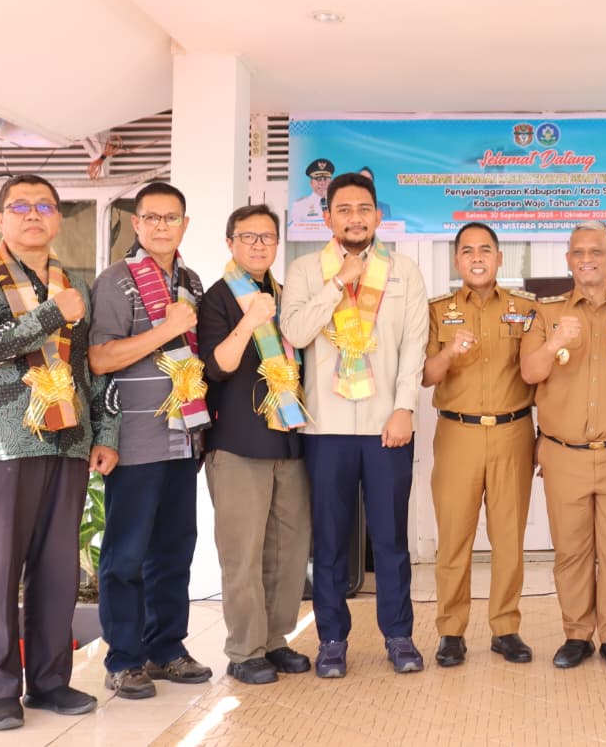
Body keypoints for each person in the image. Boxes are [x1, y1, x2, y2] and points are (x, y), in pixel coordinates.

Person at [0, 174, 119, 731]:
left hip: (67, 443)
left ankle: (49, 682)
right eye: (20, 206)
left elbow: (89, 369)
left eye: (44, 206)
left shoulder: (74, 284)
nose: (32, 215)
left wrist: (105, 433)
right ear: (1, 218)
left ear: (58, 219)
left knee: (56, 571)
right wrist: (51, 313)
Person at [281, 172, 429, 677]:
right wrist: (338, 283)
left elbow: (414, 344)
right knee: (329, 541)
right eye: (343, 209)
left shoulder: (404, 271)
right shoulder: (305, 270)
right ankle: (331, 640)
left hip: (388, 425)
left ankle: (399, 635)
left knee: (390, 538)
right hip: (326, 427)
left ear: (378, 215)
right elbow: (296, 331)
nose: (355, 218)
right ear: (327, 218)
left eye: (364, 209)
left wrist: (405, 407)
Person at [89, 181, 213, 699]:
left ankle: (166, 649)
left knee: (174, 551)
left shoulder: (191, 280)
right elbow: (101, 359)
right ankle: (123, 658)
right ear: (136, 224)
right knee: (126, 555)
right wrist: (166, 329)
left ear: (185, 224)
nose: (163, 226)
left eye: (172, 217)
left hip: (183, 437)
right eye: (152, 218)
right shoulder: (115, 281)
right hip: (135, 440)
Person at [519, 222, 606, 671]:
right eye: (578, 252)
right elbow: (530, 373)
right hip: (564, 452)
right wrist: (557, 340)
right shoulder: (545, 313)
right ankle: (576, 634)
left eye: (596, 251)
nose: (587, 259)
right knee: (571, 551)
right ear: (568, 260)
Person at [197, 204, 312, 685]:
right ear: (230, 243)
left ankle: (276, 640)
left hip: (289, 440)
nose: (259, 245)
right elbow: (217, 366)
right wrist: (249, 321)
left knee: (288, 550)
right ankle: (245, 650)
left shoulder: (285, 296)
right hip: (238, 443)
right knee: (242, 553)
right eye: (248, 236)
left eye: (267, 237)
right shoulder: (218, 298)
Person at [422, 222, 538, 667]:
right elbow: (426, 375)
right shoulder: (438, 311)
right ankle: (451, 631)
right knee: (455, 537)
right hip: (458, 433)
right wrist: (450, 353)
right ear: (457, 260)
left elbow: (538, 374)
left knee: (508, 537)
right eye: (467, 250)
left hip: (513, 432)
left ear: (499, 258)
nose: (476, 257)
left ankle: (505, 628)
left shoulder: (525, 309)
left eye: (485, 250)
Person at [289, 158, 335, 226]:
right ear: (311, 183)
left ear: (331, 182)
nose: (322, 183)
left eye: (325, 179)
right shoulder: (300, 205)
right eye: (318, 179)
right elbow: (294, 229)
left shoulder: (338, 203)